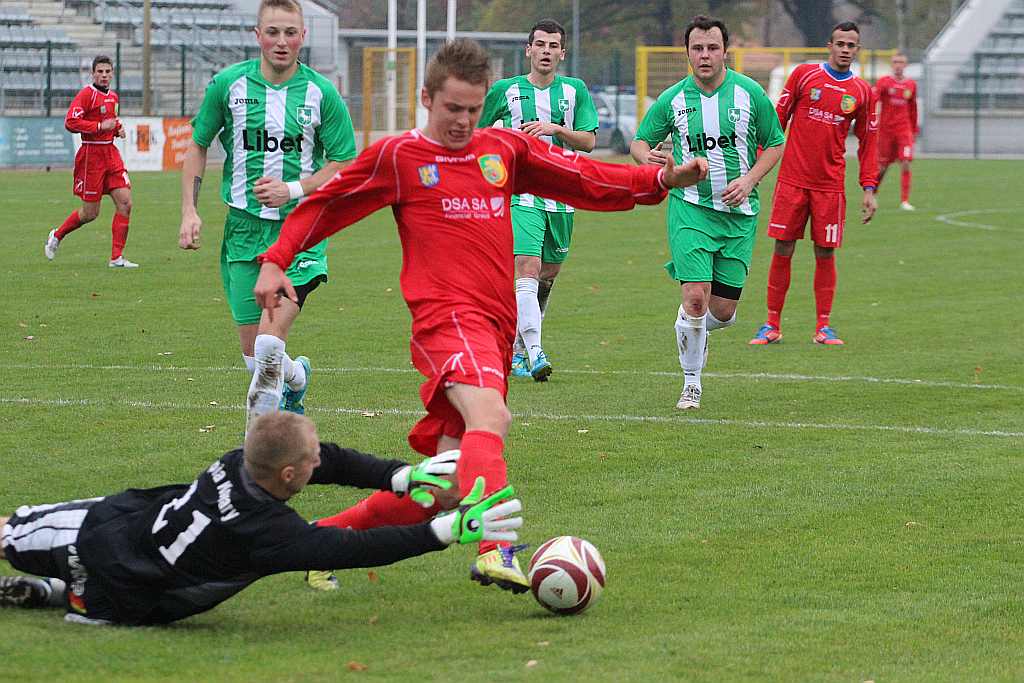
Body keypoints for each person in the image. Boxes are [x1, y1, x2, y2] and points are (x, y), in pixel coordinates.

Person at [253, 39, 707, 593]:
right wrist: (277, 261)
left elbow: (582, 176)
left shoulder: (503, 150)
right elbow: (327, 205)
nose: (463, 122)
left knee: (441, 489)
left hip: (494, 328)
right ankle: (495, 548)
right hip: (446, 318)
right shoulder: (399, 157)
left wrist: (657, 180)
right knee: (491, 418)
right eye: (452, 109)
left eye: (473, 109)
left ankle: (319, 543)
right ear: (426, 99)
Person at [0, 412, 522, 625]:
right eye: (311, 460)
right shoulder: (266, 535)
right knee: (100, 596)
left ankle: (51, 588)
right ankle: (65, 592)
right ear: (291, 474)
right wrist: (444, 531)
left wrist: (399, 476)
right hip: (130, 583)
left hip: (116, 521)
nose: (322, 460)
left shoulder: (243, 459)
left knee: (9, 531)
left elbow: (328, 459)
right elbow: (350, 550)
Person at [178, 0, 357, 431]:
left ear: (303, 37)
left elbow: (345, 161)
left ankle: (256, 463)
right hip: (243, 231)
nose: (282, 41)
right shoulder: (228, 86)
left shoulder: (320, 93)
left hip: (302, 234)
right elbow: (199, 144)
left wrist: (293, 189)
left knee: (267, 347)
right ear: (257, 35)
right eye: (273, 32)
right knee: (254, 356)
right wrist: (189, 211)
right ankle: (297, 380)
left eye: (290, 33)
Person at [631, 16, 785, 410]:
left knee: (723, 311)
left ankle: (692, 327)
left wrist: (749, 180)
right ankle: (691, 384)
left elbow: (774, 144)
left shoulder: (750, 94)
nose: (704, 55)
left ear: (725, 52)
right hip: (691, 210)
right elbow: (641, 142)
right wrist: (650, 162)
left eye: (712, 48)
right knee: (696, 299)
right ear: (687, 53)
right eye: (697, 48)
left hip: (739, 216)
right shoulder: (674, 99)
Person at [477, 19, 599, 381]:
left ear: (562, 53)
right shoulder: (506, 90)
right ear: (528, 50)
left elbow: (590, 141)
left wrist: (557, 129)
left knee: (548, 274)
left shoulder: (575, 91)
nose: (546, 51)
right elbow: (479, 135)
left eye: (553, 45)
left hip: (562, 195)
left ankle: (516, 350)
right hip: (522, 193)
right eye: (540, 44)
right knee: (527, 267)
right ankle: (534, 351)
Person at [749, 21, 879, 347]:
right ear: (829, 45)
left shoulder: (862, 92)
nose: (845, 50)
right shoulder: (804, 76)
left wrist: (869, 188)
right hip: (792, 179)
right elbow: (776, 121)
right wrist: (758, 168)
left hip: (830, 186)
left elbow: (869, 143)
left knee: (825, 251)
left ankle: (824, 327)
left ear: (857, 49)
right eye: (840, 43)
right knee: (783, 246)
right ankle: (771, 325)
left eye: (851, 45)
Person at [44, 55, 137, 268]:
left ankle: (116, 258)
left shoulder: (113, 97)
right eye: (100, 72)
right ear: (93, 73)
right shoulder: (87, 95)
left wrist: (117, 128)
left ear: (113, 73)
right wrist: (98, 128)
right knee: (90, 213)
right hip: (91, 157)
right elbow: (71, 121)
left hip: (110, 155)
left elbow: (110, 122)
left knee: (125, 203)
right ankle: (57, 235)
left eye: (107, 71)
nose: (104, 75)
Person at [874, 52, 919, 211]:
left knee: (906, 162)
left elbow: (913, 109)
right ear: (891, 65)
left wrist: (914, 129)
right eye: (895, 62)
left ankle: (905, 201)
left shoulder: (911, 85)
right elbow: (874, 100)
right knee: (882, 167)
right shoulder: (884, 83)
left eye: (901, 62)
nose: (898, 65)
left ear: (905, 65)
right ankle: (872, 193)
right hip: (885, 131)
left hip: (903, 130)